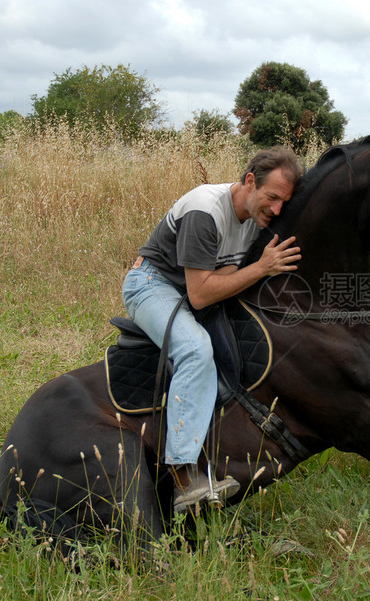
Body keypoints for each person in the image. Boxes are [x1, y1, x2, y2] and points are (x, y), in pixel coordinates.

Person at [122, 146, 303, 513]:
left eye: (284, 201)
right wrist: (259, 269)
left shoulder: (259, 217)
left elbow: (222, 278)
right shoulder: (205, 211)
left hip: (191, 287)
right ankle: (184, 476)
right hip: (152, 285)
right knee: (195, 349)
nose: (277, 210)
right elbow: (202, 294)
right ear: (249, 181)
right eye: (271, 198)